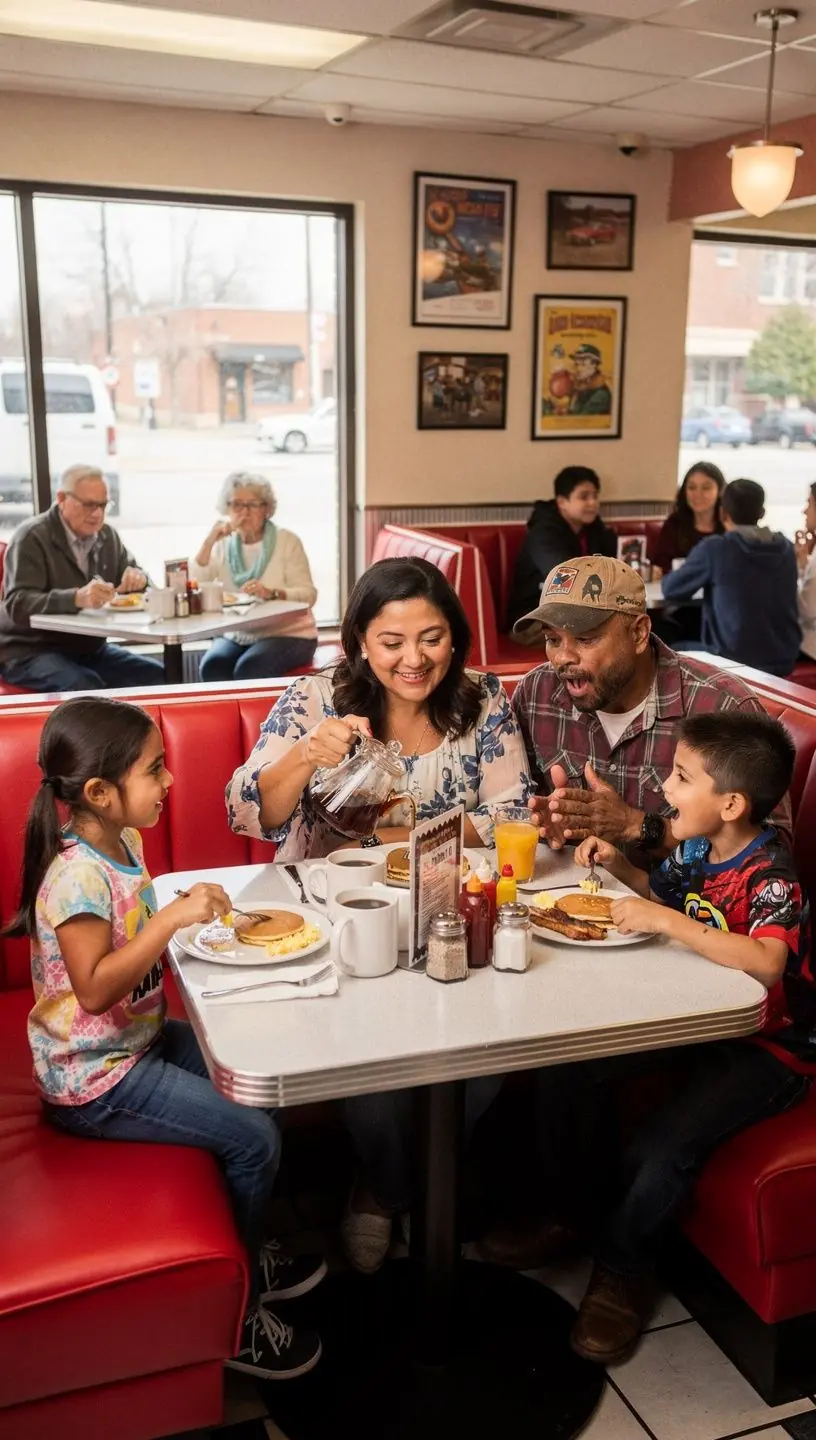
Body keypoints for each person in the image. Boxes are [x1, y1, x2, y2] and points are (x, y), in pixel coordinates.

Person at [3, 695, 325, 1382]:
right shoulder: (76, 875)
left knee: (260, 1079)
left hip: (137, 1041)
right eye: (154, 770)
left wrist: (183, 919)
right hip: (94, 1078)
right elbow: (94, 989)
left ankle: (246, 1250)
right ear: (99, 792)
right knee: (255, 1138)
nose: (169, 780)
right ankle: (235, 1317)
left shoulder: (123, 841)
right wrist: (169, 920)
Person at [227, 556, 531, 1272]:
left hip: (447, 913)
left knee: (493, 1053)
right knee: (367, 1056)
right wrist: (306, 756)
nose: (413, 659)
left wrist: (390, 830)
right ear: (361, 641)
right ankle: (392, 1188)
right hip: (334, 919)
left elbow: (514, 812)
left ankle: (416, 1186)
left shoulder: (483, 699)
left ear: (455, 638)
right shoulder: (316, 699)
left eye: (432, 638)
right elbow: (246, 810)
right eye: (392, 642)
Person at [522, 712, 814, 1364]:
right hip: (692, 1019)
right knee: (569, 1065)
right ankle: (567, 1215)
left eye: (682, 777)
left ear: (731, 804)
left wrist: (668, 923)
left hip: (767, 1047)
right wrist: (617, 864)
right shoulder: (693, 848)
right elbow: (657, 893)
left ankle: (623, 1270)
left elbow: (768, 961)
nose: (665, 788)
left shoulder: (771, 872)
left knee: (663, 1144)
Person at [507, 554, 791, 870]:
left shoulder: (722, 707)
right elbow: (516, 811)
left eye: (585, 639)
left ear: (638, 633)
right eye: (552, 639)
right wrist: (543, 826)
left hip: (679, 902)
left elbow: (771, 859)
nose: (562, 658)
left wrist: (640, 827)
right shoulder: (536, 695)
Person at [0, 464, 164, 692]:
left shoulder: (107, 536)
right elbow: (17, 603)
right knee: (86, 686)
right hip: (29, 650)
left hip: (87, 648)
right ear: (61, 499)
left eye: (103, 505)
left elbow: (142, 582)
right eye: (89, 505)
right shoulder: (31, 537)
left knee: (158, 677)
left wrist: (139, 579)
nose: (97, 513)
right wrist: (76, 598)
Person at [661, 478, 801, 677]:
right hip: (784, 660)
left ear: (722, 513)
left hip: (732, 661)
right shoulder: (786, 547)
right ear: (762, 513)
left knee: (664, 645)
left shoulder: (716, 548)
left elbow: (671, 589)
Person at [191, 472, 318, 681]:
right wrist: (209, 541)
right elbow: (196, 583)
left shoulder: (287, 541)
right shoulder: (223, 544)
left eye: (252, 505)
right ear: (227, 509)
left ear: (267, 509)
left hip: (290, 633)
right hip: (237, 634)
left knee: (250, 669)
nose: (244, 512)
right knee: (213, 666)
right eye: (237, 505)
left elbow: (308, 595)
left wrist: (271, 593)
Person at [506, 466, 617, 632]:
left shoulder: (595, 528)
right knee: (606, 633)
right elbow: (563, 575)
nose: (593, 503)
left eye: (595, 496)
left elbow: (615, 564)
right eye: (584, 497)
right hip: (534, 618)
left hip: (579, 613)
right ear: (562, 502)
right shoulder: (543, 532)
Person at [651, 461, 725, 577]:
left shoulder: (729, 525)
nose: (698, 494)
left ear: (719, 491)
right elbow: (661, 565)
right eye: (692, 487)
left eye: (706, 488)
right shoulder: (674, 524)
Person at [795, 481, 816, 661]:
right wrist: (803, 566)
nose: (804, 511)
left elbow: (806, 611)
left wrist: (795, 569)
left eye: (809, 503)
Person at [568, 345, 612, 415]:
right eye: (576, 364)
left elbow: (581, 418)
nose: (578, 369)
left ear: (594, 364)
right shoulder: (580, 387)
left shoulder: (601, 394)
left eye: (583, 364)